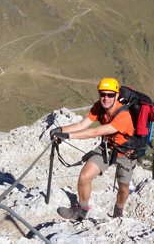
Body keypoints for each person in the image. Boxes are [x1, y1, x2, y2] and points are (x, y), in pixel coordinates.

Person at [49, 77, 135, 220]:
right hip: (108, 148)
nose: (106, 98)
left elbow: (95, 132)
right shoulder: (99, 107)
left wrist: (67, 136)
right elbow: (82, 125)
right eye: (102, 94)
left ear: (117, 96)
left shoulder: (123, 115)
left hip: (126, 153)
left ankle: (118, 211)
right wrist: (61, 130)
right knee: (85, 176)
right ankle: (81, 211)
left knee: (123, 187)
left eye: (110, 95)